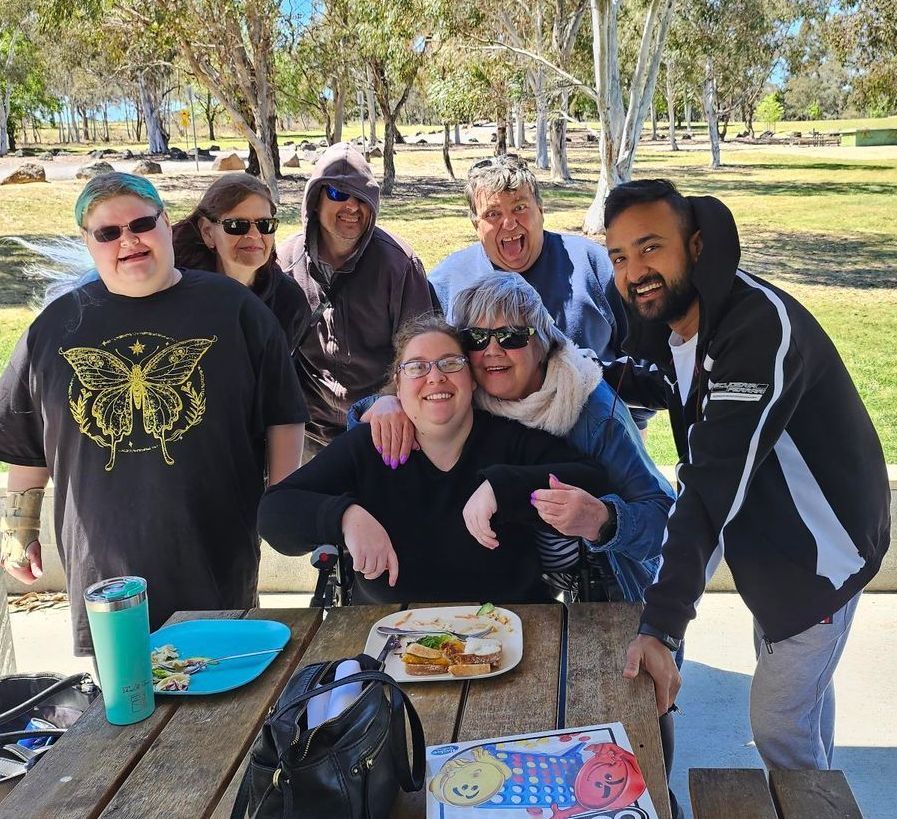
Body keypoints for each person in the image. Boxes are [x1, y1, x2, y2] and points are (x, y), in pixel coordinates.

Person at [604, 179, 890, 771]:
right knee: (801, 692)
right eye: (620, 256)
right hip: (767, 540)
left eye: (651, 247)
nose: (635, 271)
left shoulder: (759, 330)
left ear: (698, 246)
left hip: (819, 554)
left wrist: (660, 627)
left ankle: (813, 805)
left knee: (778, 723)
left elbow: (709, 486)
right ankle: (820, 777)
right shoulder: (682, 321)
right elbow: (679, 388)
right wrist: (588, 373)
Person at [0, 172, 309, 656]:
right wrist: (18, 530)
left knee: (223, 708)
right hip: (103, 574)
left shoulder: (235, 310)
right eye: (108, 232)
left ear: (166, 224)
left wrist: (282, 499)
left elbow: (284, 414)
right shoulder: (53, 328)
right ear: (90, 242)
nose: (129, 240)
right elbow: (26, 441)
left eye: (142, 223)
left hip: (215, 555)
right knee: (124, 712)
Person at [257, 315, 609, 605]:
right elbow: (275, 515)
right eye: (417, 367)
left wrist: (505, 488)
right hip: (392, 641)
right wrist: (345, 517)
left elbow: (595, 479)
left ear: (472, 380)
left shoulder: (508, 439)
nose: (435, 376)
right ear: (397, 383)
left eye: (450, 364)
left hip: (515, 636)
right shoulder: (369, 447)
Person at [277, 142, 435, 460]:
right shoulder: (284, 262)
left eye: (361, 197)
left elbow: (423, 354)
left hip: (379, 430)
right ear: (315, 200)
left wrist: (390, 399)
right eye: (338, 194)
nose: (352, 206)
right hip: (306, 435)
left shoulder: (399, 264)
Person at [171, 172, 311, 355]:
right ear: (208, 232)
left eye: (265, 224)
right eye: (237, 225)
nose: (254, 235)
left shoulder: (289, 301)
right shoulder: (174, 295)